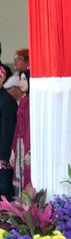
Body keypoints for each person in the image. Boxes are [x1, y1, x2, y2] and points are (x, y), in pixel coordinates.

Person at [0, 67, 17, 199]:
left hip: (2, 155)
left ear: (2, 79)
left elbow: (8, 129)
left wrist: (4, 156)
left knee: (4, 192)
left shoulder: (6, 100)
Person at [11, 70, 29, 190]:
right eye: (20, 79)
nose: (21, 82)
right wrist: (13, 150)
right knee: (19, 179)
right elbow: (17, 126)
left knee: (27, 177)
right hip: (19, 144)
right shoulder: (22, 100)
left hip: (27, 145)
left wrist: (30, 150)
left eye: (24, 79)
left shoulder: (33, 101)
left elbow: (31, 127)